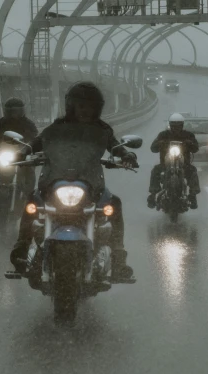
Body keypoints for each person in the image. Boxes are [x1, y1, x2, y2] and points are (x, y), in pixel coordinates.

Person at [10, 82, 138, 281]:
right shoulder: (57, 127)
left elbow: (114, 145)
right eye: (81, 106)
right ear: (72, 106)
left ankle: (119, 258)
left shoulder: (102, 129)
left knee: (115, 203)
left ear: (97, 109)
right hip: (55, 180)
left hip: (90, 183)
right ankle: (21, 250)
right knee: (32, 201)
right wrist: (23, 150)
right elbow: (39, 141)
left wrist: (126, 154)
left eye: (90, 107)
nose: (86, 110)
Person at [148, 113, 201, 209]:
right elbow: (153, 148)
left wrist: (190, 143)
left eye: (178, 126)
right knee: (155, 170)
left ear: (182, 125)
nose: (176, 128)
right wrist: (160, 143)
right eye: (174, 126)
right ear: (170, 125)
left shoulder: (188, 135)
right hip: (165, 164)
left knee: (193, 171)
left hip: (184, 164)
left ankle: (193, 195)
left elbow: (196, 148)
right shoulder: (163, 135)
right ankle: (152, 194)